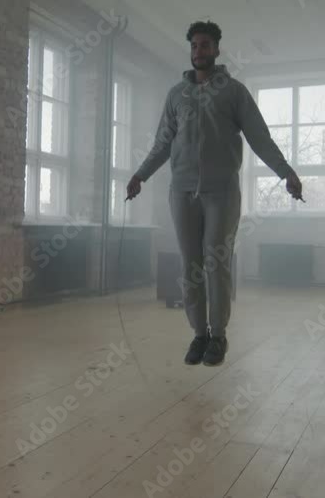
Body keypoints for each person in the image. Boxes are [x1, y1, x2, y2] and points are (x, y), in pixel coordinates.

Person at [125, 20, 303, 367]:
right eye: (194, 45)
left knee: (215, 263)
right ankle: (199, 334)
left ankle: (218, 334)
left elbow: (259, 138)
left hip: (221, 193)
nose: (199, 51)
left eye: (205, 45)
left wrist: (286, 172)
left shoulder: (234, 92)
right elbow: (162, 144)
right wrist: (140, 175)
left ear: (217, 49)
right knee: (190, 265)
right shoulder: (176, 95)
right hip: (182, 192)